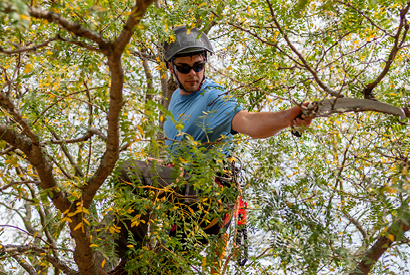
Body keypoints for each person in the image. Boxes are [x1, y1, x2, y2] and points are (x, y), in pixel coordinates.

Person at [113, 25, 313, 271]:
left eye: (198, 66)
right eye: (184, 68)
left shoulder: (213, 97)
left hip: (208, 194)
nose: (193, 74)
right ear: (171, 68)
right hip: (188, 216)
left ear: (205, 63)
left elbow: (248, 122)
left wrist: (286, 118)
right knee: (160, 268)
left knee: (128, 171)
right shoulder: (175, 99)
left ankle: (129, 256)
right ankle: (132, 266)